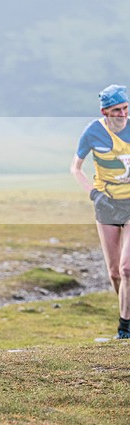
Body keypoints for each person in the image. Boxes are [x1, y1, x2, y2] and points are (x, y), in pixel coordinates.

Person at [71, 84, 130, 339]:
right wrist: (94, 195)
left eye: (126, 108)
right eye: (117, 110)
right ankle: (127, 311)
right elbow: (75, 168)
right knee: (115, 273)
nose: (123, 114)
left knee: (127, 269)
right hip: (106, 205)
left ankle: (124, 329)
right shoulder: (93, 132)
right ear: (104, 111)